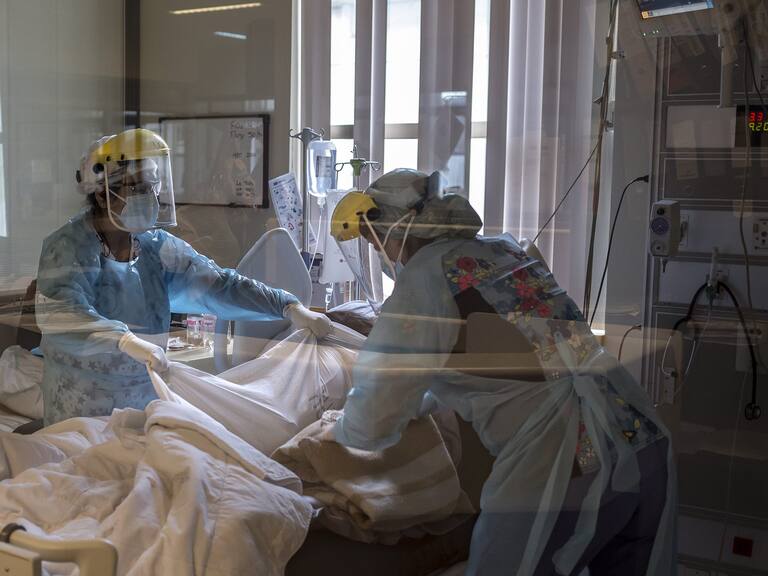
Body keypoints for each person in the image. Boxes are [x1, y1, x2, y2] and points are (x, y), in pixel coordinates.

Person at [329, 169, 675, 576]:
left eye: (375, 238)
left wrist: (339, 433)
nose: (376, 249)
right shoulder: (504, 252)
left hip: (570, 454)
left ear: (400, 225)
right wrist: (421, 403)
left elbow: (374, 411)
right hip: (633, 431)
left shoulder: (425, 277)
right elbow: (492, 360)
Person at [36, 128, 330, 425]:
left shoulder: (154, 247)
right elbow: (64, 317)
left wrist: (287, 306)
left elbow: (218, 284)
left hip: (144, 406)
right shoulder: (68, 248)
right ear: (102, 194)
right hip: (80, 412)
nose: (150, 197)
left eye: (153, 186)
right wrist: (122, 340)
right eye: (137, 188)